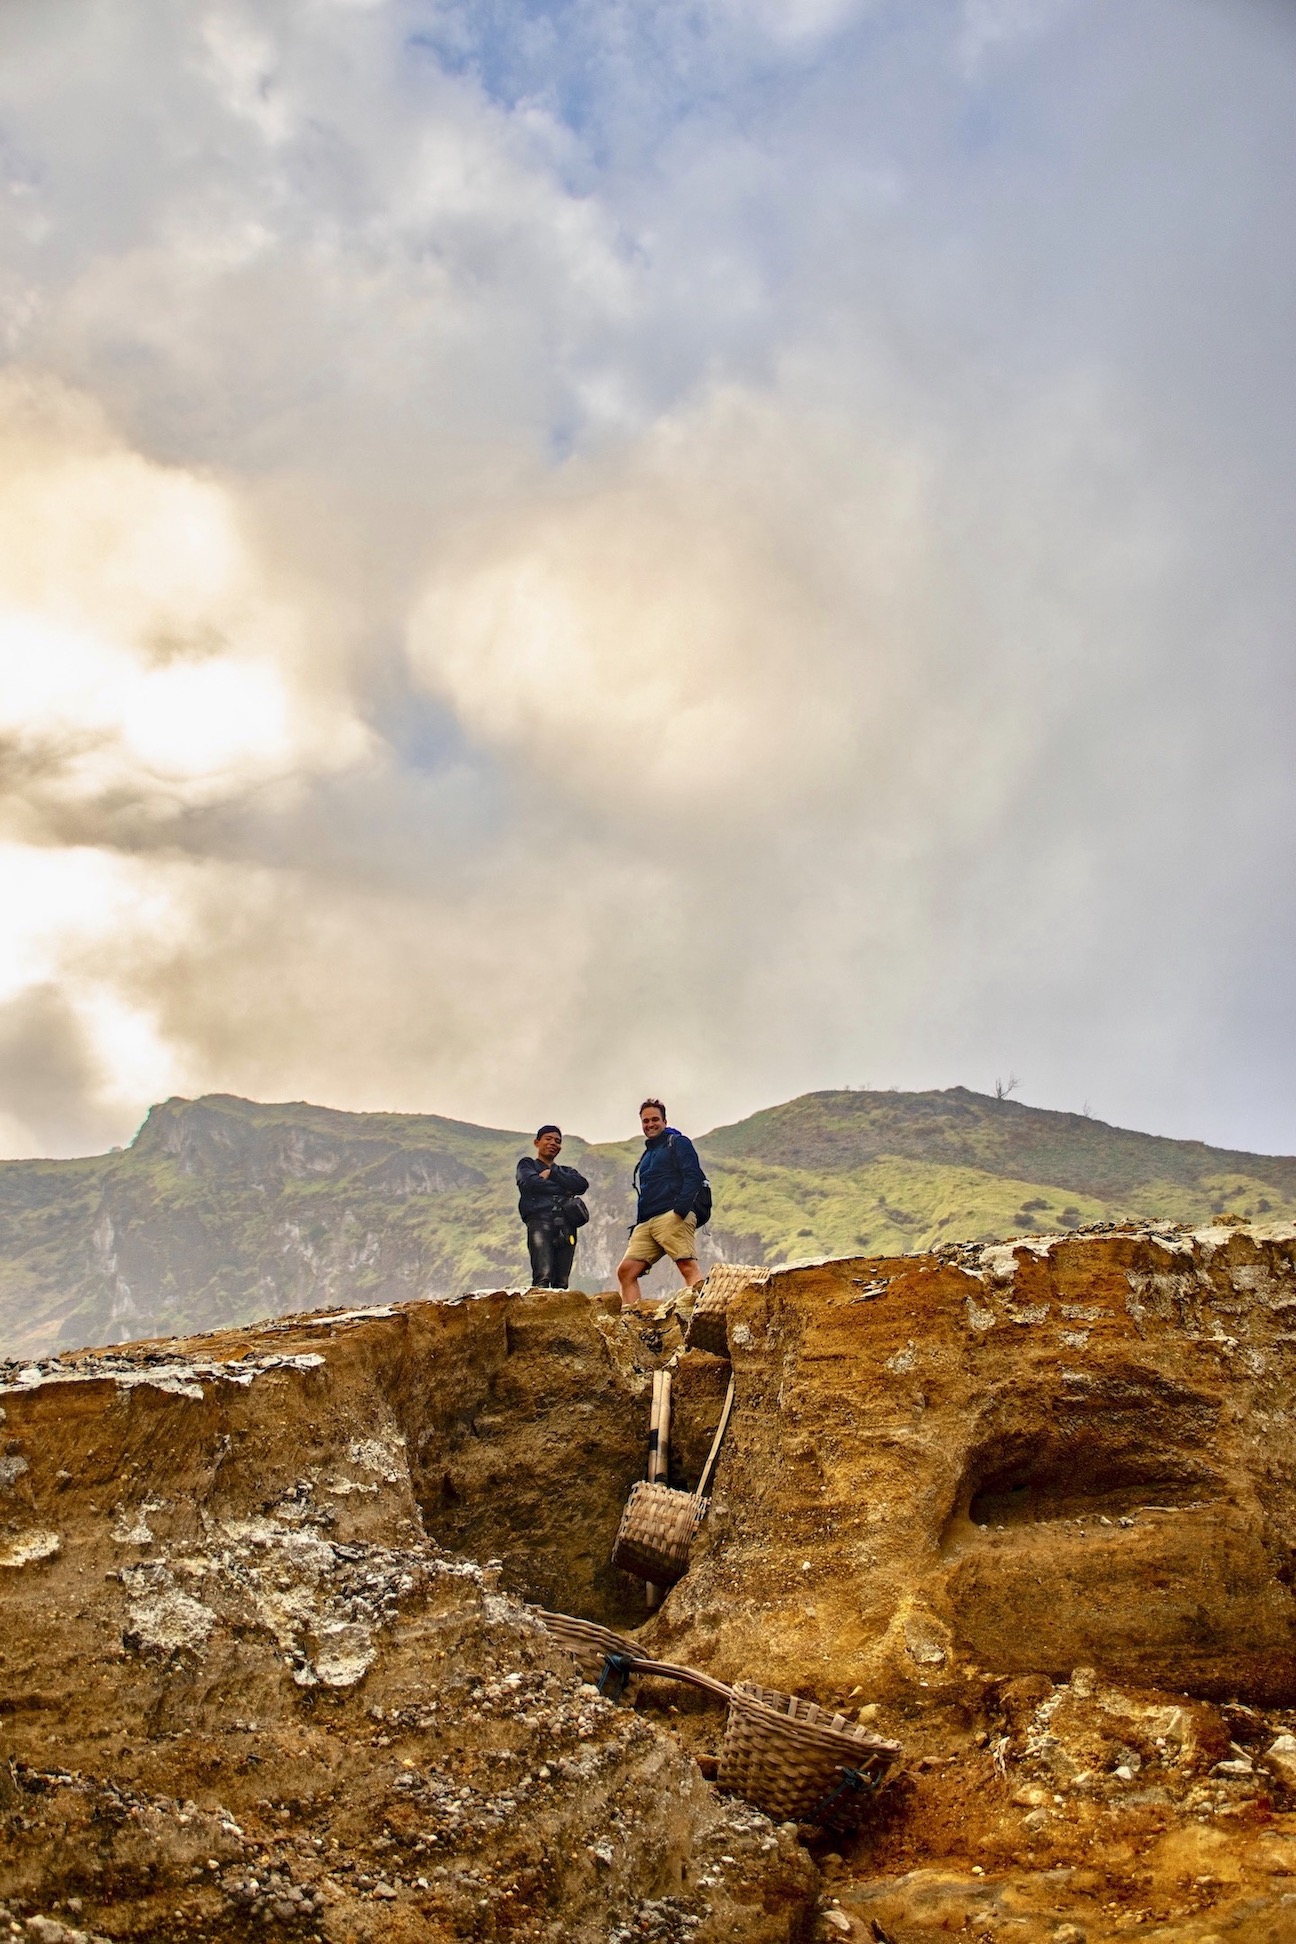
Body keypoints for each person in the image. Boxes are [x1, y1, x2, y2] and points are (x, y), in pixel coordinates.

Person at [617, 1098, 706, 1307]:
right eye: (645, 1121)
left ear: (665, 1121)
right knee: (626, 1271)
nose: (650, 1124)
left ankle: (704, 1313)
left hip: (672, 1215)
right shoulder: (648, 1154)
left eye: (655, 1119)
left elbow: (693, 1175)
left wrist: (681, 1209)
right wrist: (640, 1222)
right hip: (647, 1222)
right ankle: (633, 1321)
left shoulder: (678, 1142)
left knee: (686, 1264)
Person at [516, 1125, 589, 1290]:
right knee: (543, 1275)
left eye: (557, 1141)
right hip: (539, 1222)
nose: (553, 1143)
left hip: (566, 1225)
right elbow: (530, 1183)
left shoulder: (566, 1170)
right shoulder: (527, 1165)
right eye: (548, 1139)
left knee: (562, 1280)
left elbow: (582, 1185)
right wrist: (564, 1188)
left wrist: (552, 1175)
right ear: (537, 1142)